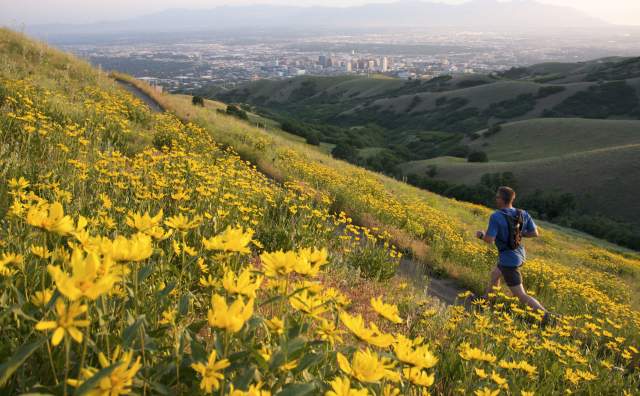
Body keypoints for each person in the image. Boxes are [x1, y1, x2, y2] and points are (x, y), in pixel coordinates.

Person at [476, 186, 550, 320]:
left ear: (502, 199)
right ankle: (486, 301)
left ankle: (547, 316)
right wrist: (520, 233)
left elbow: (490, 240)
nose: (496, 199)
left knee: (520, 295)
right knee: (495, 275)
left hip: (508, 260)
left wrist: (481, 235)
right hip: (520, 255)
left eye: (497, 197)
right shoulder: (523, 213)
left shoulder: (496, 216)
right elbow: (535, 233)